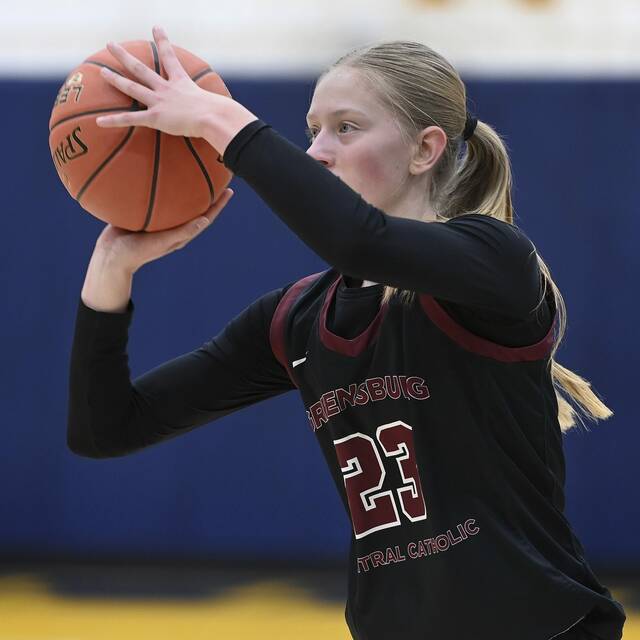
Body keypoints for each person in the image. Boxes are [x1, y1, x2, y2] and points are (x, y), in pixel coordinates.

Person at [67, 25, 626, 640]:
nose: (317, 151)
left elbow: (359, 238)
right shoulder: (295, 319)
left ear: (424, 150)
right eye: (312, 130)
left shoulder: (496, 261)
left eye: (346, 128)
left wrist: (220, 120)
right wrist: (110, 269)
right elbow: (106, 428)